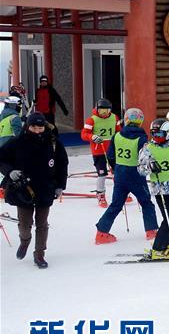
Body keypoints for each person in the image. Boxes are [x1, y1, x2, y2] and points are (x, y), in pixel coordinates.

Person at [0, 112, 67, 268]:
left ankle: (39, 254)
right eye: (34, 127)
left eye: (40, 128)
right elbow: (1, 158)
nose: (37, 131)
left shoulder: (53, 143)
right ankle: (24, 241)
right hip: (23, 190)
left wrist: (60, 185)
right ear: (27, 126)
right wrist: (10, 171)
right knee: (25, 224)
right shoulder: (17, 142)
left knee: (42, 223)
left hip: (46, 188)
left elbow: (62, 164)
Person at [95, 108, 159, 245]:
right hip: (135, 175)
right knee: (146, 202)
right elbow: (145, 157)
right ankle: (151, 230)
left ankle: (101, 233)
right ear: (140, 122)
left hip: (120, 173)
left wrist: (114, 167)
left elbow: (110, 155)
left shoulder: (117, 136)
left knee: (116, 204)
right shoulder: (142, 138)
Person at [137, 119, 169, 260]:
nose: (156, 137)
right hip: (161, 189)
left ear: (168, 133)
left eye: (160, 134)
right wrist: (150, 167)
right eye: (154, 134)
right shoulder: (148, 148)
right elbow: (141, 170)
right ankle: (158, 248)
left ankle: (168, 243)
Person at [80, 98, 120, 208]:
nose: (104, 114)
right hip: (99, 151)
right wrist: (92, 136)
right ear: (97, 110)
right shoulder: (91, 120)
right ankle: (101, 195)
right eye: (101, 111)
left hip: (113, 150)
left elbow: (119, 130)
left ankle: (122, 193)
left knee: (118, 172)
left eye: (106, 111)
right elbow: (84, 134)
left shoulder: (114, 117)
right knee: (102, 174)